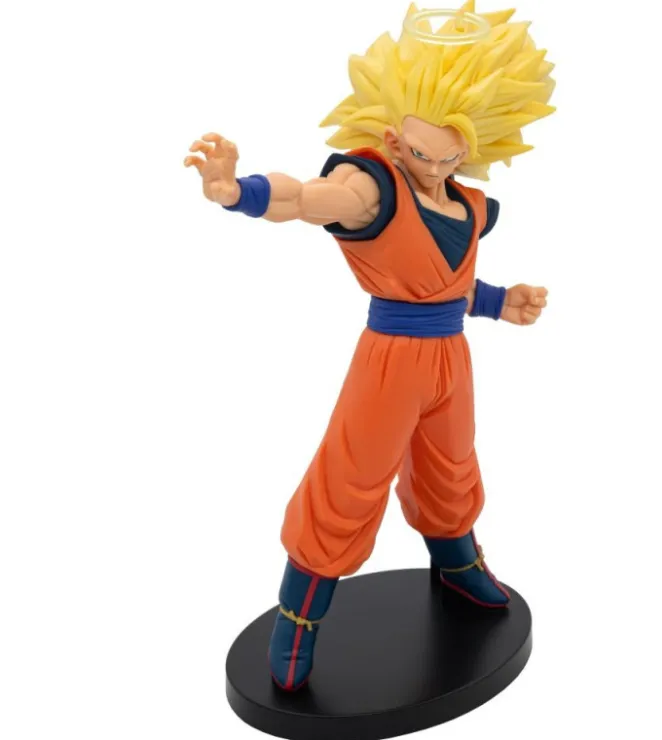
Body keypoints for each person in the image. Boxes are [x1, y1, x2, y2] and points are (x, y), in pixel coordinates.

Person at [185, 1, 554, 692]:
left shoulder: (467, 203)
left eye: (450, 156)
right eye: (420, 153)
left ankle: (458, 562)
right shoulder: (370, 187)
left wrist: (500, 301)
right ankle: (299, 614)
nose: (434, 167)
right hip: (390, 360)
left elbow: (443, 284)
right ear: (393, 138)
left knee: (451, 468)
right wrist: (238, 191)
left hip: (451, 359)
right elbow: (304, 199)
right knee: (350, 481)